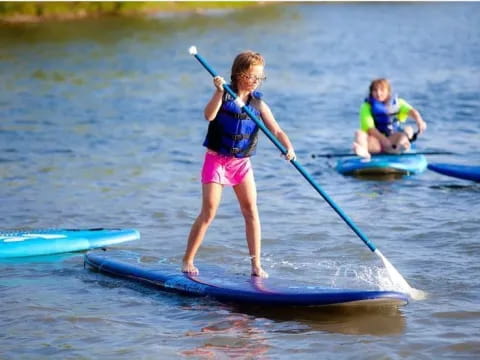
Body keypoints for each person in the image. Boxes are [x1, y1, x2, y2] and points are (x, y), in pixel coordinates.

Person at [182, 51, 296, 278]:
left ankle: (256, 265)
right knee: (209, 212)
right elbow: (209, 115)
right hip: (216, 160)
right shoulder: (224, 94)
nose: (256, 81)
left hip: (241, 164)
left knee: (251, 210)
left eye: (260, 77)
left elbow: (276, 129)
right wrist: (218, 91)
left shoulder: (258, 103)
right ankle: (188, 260)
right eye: (252, 76)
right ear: (238, 74)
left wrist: (288, 147)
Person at [352, 78, 427, 160]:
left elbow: (412, 111)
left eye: (382, 90)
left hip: (392, 141)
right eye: (375, 90)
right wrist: (383, 140)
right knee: (359, 133)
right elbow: (370, 129)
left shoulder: (398, 103)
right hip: (375, 144)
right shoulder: (366, 107)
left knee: (407, 131)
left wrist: (419, 121)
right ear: (371, 92)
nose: (378, 93)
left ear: (388, 92)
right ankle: (364, 152)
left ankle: (399, 149)